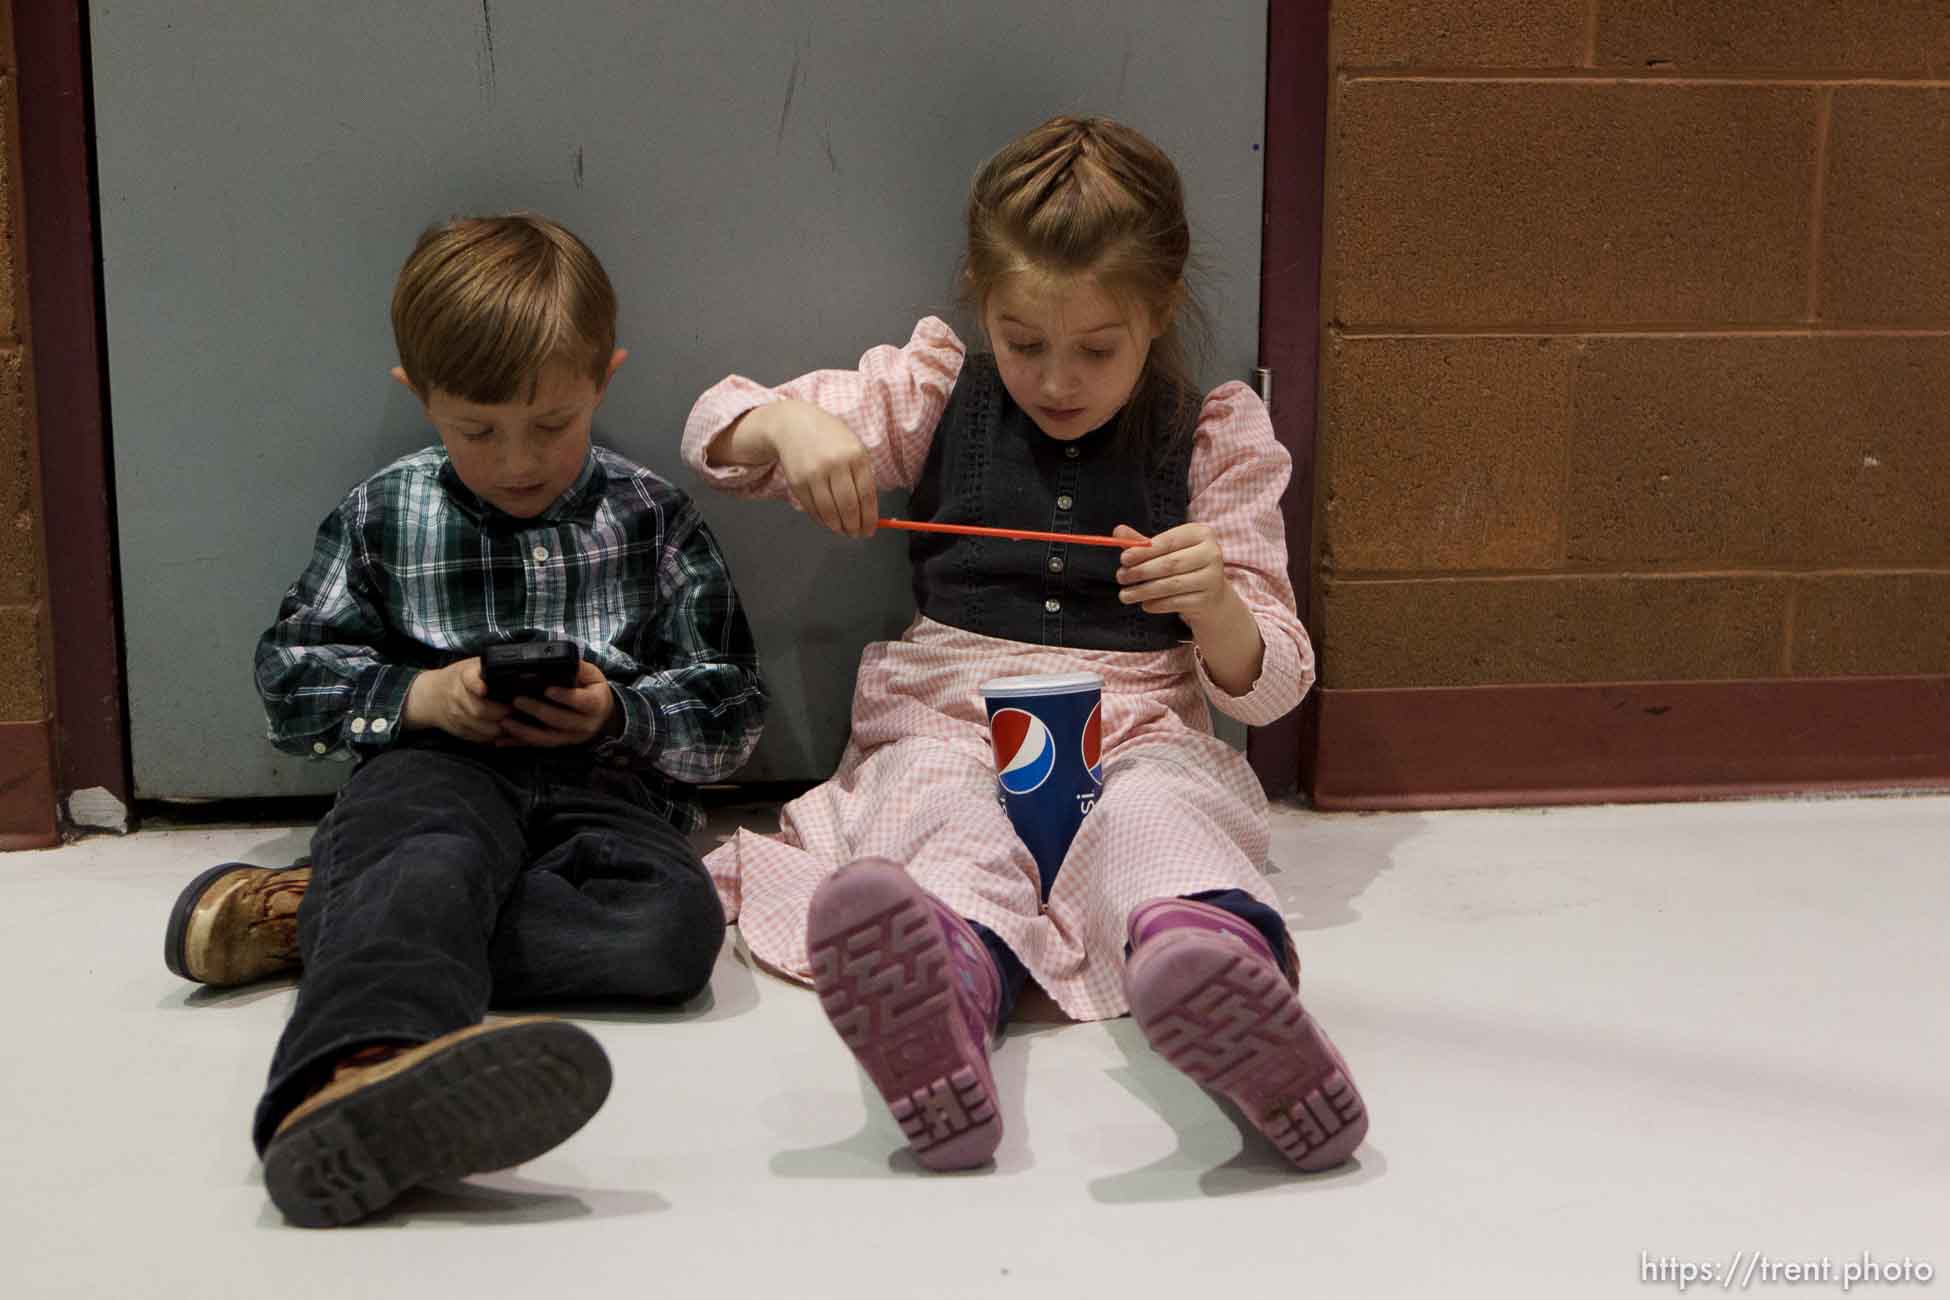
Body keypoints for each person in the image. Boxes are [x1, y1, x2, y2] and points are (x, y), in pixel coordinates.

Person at [682, 116, 1366, 1172]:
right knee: (939, 810)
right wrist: (788, 429)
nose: (1055, 380)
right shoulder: (937, 385)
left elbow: (1273, 683)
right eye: (1023, 340)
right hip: (947, 712)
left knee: (1156, 815)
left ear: (1160, 314)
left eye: (1097, 348)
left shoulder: (1215, 432)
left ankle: (1210, 956)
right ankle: (944, 994)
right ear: (981, 306)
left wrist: (1218, 606)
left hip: (1132, 719)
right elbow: (714, 426)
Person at [162, 214, 767, 1226]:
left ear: (603, 380)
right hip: (433, 771)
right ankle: (349, 1079)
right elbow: (288, 678)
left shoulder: (652, 515)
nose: (519, 460)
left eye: (553, 424)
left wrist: (617, 711)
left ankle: (344, 915)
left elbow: (733, 704)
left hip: (606, 784)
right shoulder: (385, 511)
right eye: (477, 429)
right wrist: (416, 695)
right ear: (421, 397)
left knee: (671, 930)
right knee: (430, 857)